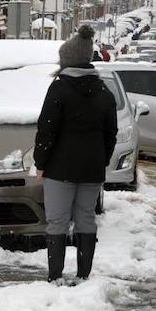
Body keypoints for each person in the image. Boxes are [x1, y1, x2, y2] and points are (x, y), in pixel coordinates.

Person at [34, 25, 118, 284]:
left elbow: (47, 130)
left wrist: (40, 163)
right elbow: (111, 134)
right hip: (91, 169)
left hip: (60, 169)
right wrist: (100, 161)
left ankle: (55, 276)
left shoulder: (59, 89)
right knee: (86, 219)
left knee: (57, 221)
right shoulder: (104, 92)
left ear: (68, 61)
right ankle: (83, 274)